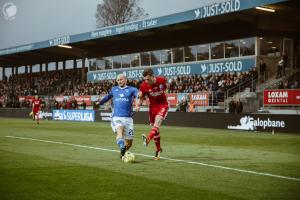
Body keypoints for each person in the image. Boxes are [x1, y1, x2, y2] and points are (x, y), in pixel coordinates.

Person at [98, 74, 138, 160]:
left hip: (128, 119)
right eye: (118, 80)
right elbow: (107, 97)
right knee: (120, 131)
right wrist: (100, 102)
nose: (119, 81)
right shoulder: (114, 89)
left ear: (125, 80)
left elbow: (138, 95)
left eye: (121, 79)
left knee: (129, 143)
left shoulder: (132, 89)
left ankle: (122, 153)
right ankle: (121, 146)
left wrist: (137, 105)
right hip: (117, 117)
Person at [135, 68, 168, 160]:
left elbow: (165, 89)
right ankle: (158, 150)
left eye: (148, 79)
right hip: (152, 108)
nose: (146, 81)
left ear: (153, 77)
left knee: (157, 123)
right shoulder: (144, 86)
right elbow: (141, 97)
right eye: (145, 79)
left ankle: (148, 139)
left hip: (162, 105)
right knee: (155, 129)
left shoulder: (161, 80)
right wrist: (138, 105)